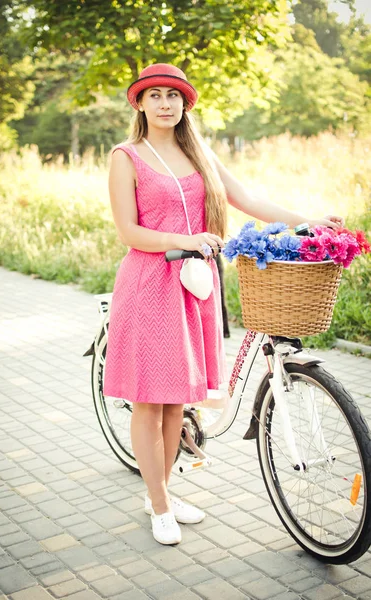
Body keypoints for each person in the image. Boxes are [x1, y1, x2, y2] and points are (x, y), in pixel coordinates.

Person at [103, 63, 343, 546]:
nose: (166, 104)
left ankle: (161, 494)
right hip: (151, 280)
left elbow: (248, 200)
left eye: (174, 95)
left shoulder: (198, 152)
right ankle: (160, 506)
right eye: (155, 96)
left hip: (194, 284)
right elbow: (128, 231)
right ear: (140, 103)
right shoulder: (126, 155)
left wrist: (310, 221)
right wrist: (186, 238)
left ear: (185, 103)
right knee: (151, 401)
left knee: (176, 402)